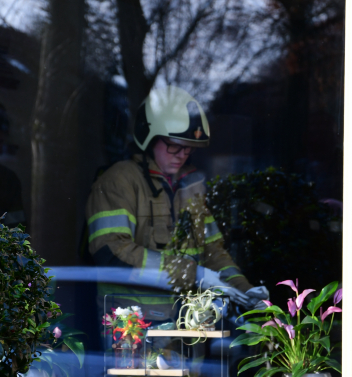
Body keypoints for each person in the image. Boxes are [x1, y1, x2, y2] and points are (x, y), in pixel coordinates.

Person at [85, 86, 269, 312]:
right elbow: (111, 251)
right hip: (131, 325)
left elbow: (213, 252)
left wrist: (244, 291)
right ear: (148, 138)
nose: (182, 154)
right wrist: (193, 273)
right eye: (174, 145)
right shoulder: (118, 181)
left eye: (189, 148)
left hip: (188, 323)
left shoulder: (191, 187)